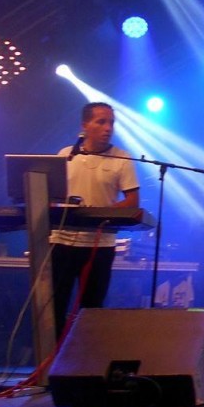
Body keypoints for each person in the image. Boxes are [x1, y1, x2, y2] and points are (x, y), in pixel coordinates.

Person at [52, 102, 141, 340]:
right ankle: (52, 356)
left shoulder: (122, 158)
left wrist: (98, 213)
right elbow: (52, 196)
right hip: (62, 241)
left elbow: (132, 201)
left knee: (92, 308)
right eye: (101, 122)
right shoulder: (66, 155)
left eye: (111, 122)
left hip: (100, 245)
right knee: (55, 305)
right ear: (85, 125)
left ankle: (85, 357)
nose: (108, 127)